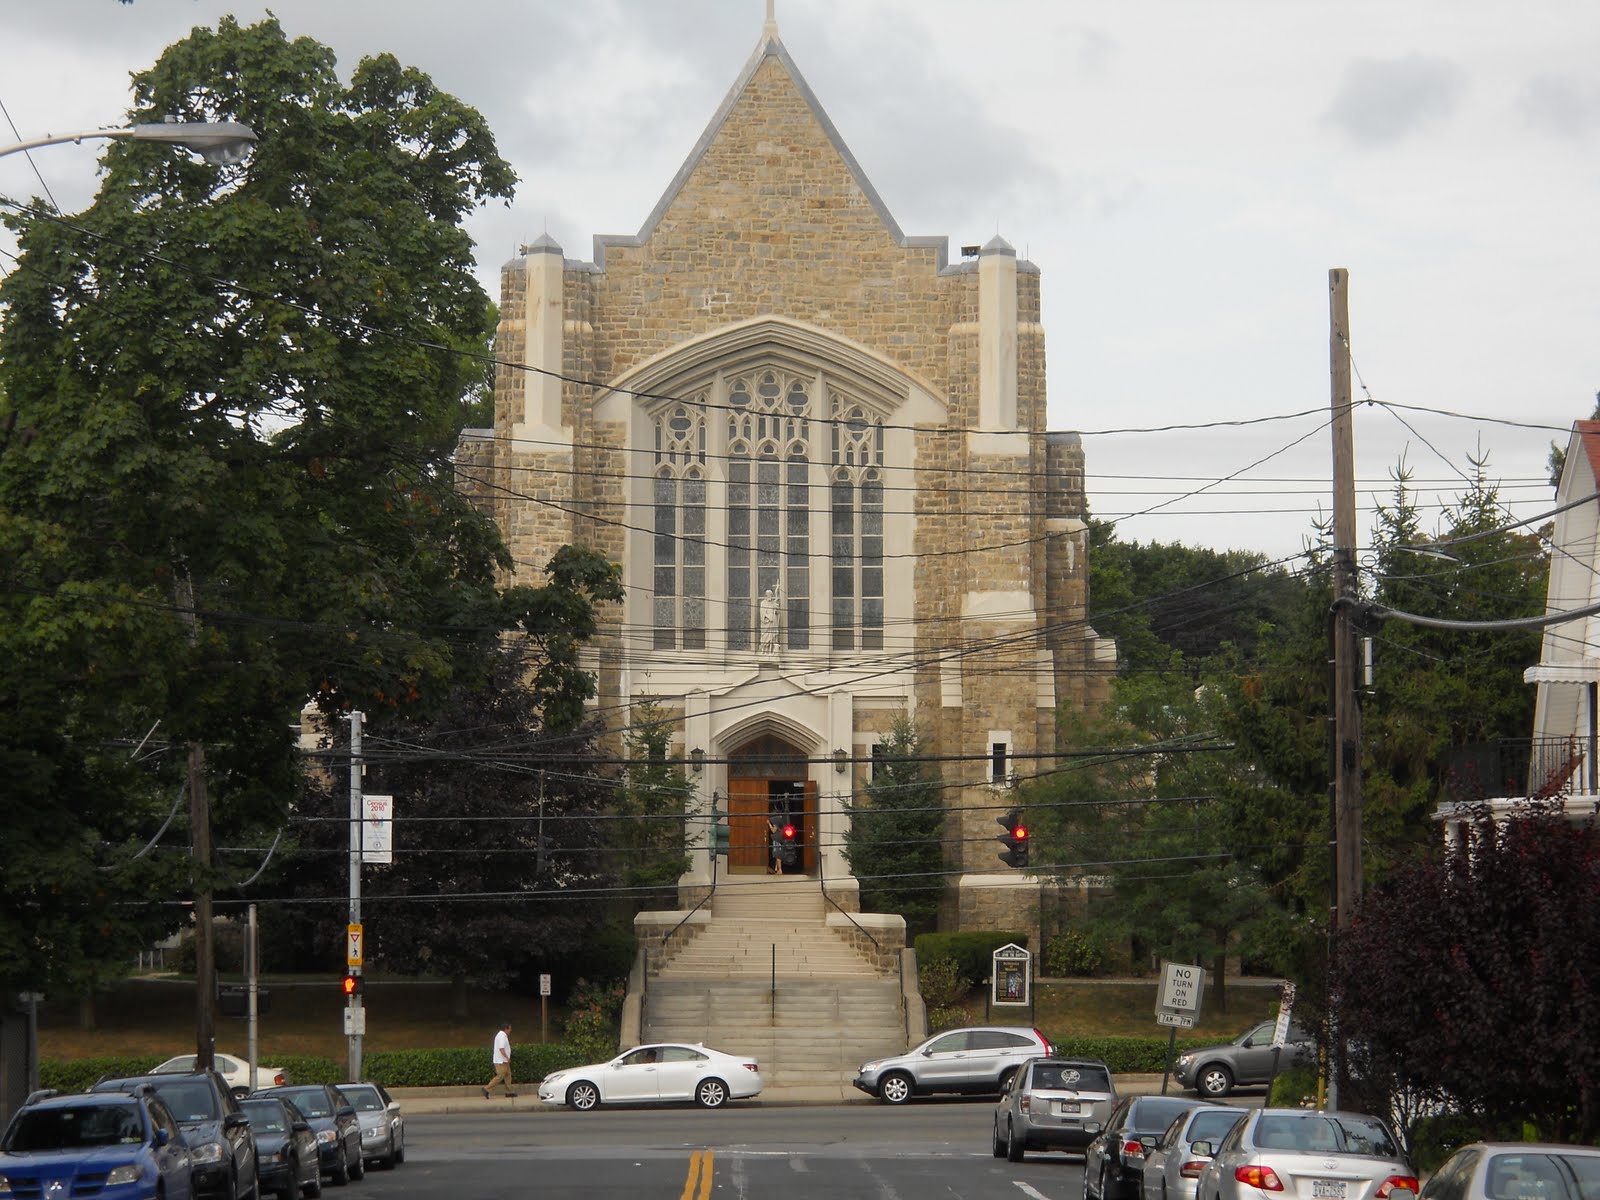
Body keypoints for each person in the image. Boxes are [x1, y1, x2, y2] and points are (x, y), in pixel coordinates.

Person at [483, 1020, 516, 1098]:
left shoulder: (502, 1035)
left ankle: (509, 1092)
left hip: (503, 1061)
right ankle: (486, 1089)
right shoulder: (502, 1036)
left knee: (508, 1075)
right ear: (506, 1029)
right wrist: (507, 1057)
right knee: (500, 1076)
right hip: (501, 1061)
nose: (510, 1030)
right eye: (510, 1029)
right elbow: (501, 1048)